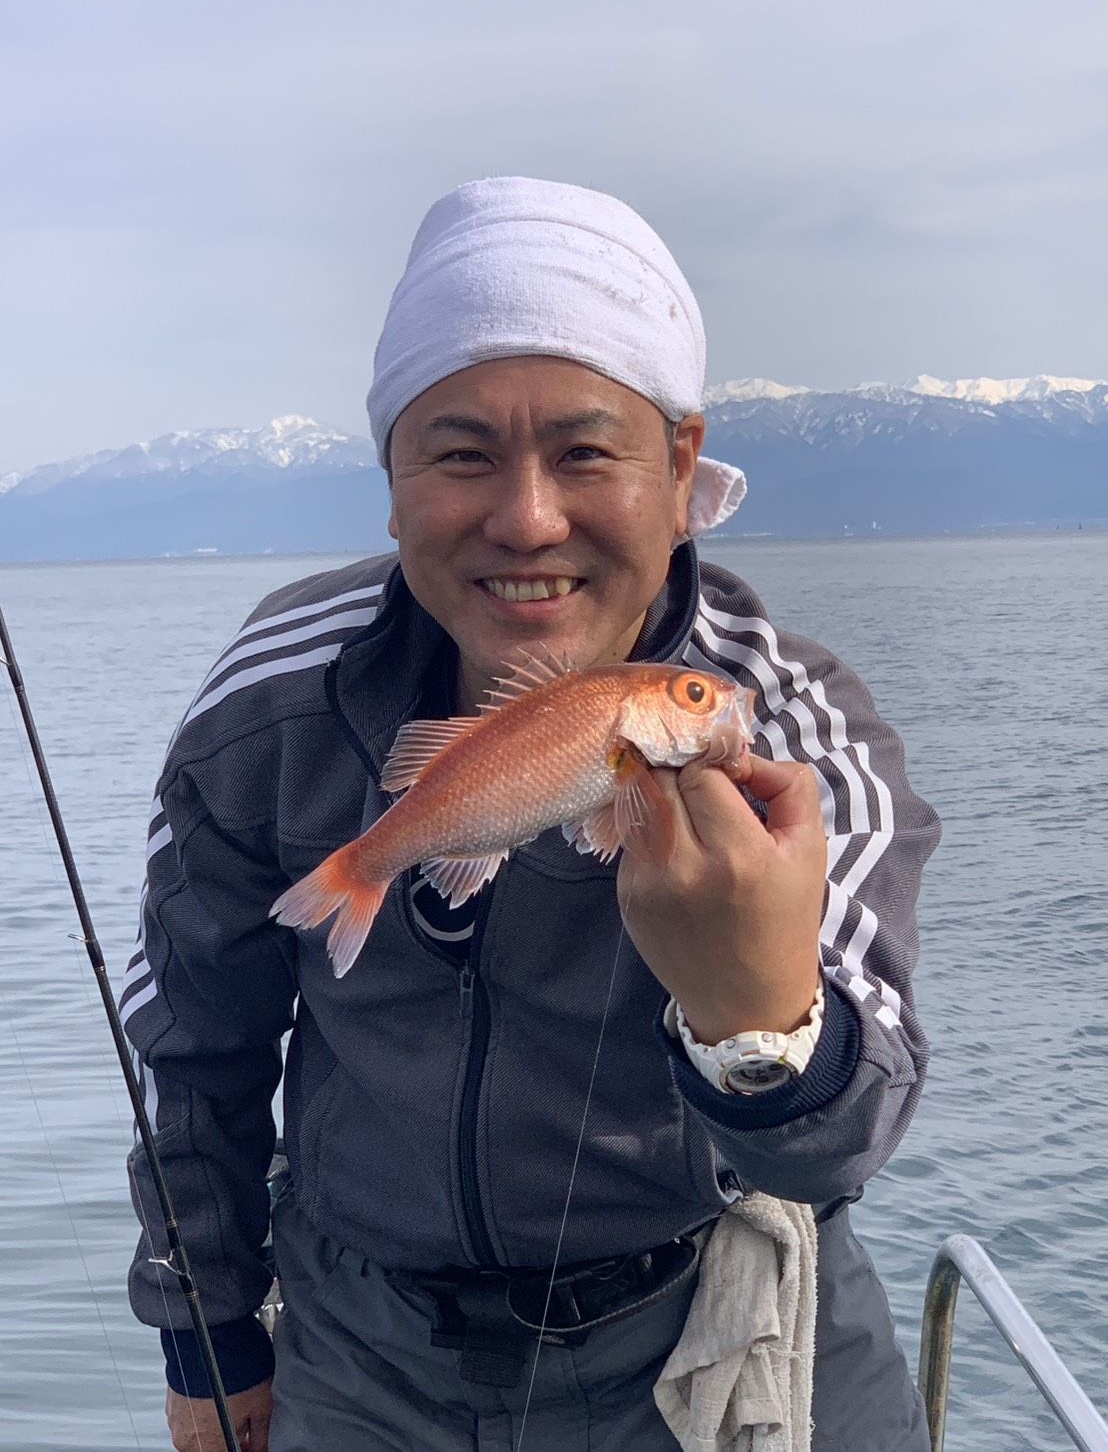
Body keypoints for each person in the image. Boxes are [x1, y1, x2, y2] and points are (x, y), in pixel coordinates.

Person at [123, 177, 941, 1452]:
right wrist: (207, 1332)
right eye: (459, 454)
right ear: (391, 479)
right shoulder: (271, 701)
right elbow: (193, 1039)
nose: (527, 519)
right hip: (362, 1344)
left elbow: (845, 1140)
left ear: (681, 468)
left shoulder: (783, 721)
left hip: (714, 1305)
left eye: (585, 452)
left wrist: (754, 1014)